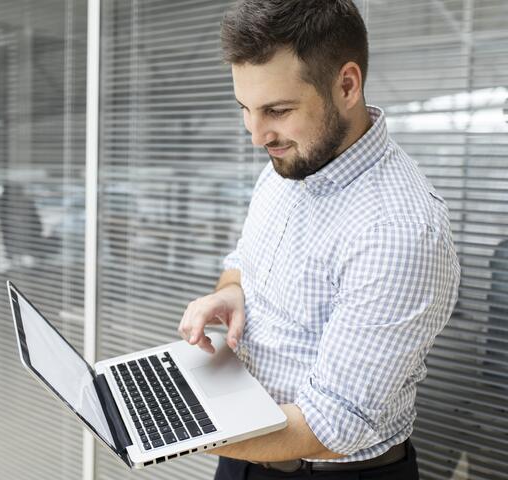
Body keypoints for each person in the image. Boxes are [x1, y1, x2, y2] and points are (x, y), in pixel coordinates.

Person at [177, 1, 461, 479]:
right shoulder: (289, 163)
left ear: (346, 85)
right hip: (249, 449)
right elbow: (242, 261)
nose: (256, 135)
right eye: (245, 109)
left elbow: (333, 425)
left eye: (278, 110)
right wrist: (229, 294)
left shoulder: (398, 231)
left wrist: (171, 426)